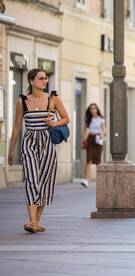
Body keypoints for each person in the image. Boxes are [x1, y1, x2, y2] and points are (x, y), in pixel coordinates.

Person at [7, 68, 70, 233]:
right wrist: (11, 150)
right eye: (41, 78)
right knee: (31, 180)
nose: (45, 81)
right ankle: (32, 221)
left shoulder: (53, 98)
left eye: (46, 78)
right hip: (29, 143)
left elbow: (66, 118)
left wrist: (54, 123)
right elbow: (16, 127)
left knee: (45, 181)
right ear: (31, 81)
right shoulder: (22, 101)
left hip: (47, 143)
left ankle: (36, 222)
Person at [80, 103, 105, 188]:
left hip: (98, 140)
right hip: (90, 139)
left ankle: (100, 180)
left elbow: (103, 129)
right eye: (91, 109)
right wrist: (83, 141)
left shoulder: (101, 119)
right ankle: (86, 179)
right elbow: (85, 131)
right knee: (89, 160)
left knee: (98, 161)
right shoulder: (88, 120)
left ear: (97, 109)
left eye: (94, 108)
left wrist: (102, 134)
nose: (93, 110)